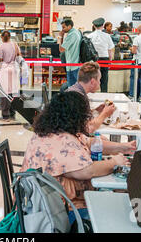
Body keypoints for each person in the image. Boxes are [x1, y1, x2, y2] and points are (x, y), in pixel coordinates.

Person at [21, 91, 130, 224]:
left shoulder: (51, 130)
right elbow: (87, 171)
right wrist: (114, 162)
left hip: (42, 203)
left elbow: (90, 142)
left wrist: (123, 147)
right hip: (59, 211)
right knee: (117, 211)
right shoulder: (62, 140)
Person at [63, 62, 137, 153]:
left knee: (103, 139)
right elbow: (89, 128)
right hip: (70, 143)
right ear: (93, 81)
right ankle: (126, 149)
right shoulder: (78, 97)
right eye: (99, 80)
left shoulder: (74, 91)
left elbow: (77, 117)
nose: (100, 83)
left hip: (68, 136)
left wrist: (95, 110)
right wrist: (105, 114)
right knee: (104, 141)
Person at [0, 30, 20, 122]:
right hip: (13, 69)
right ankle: (13, 113)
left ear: (2, 37)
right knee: (13, 91)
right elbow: (18, 56)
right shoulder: (15, 45)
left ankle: (5, 115)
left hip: (4, 70)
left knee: (4, 93)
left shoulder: (1, 46)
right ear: (10, 37)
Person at [87, 18, 114, 92]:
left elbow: (88, 50)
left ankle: (92, 94)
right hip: (105, 59)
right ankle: (104, 94)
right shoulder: (107, 36)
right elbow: (110, 50)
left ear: (94, 26)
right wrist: (110, 61)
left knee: (93, 78)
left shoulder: (90, 36)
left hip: (94, 60)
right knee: (104, 79)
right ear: (102, 26)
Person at [60, 19, 82, 87]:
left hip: (72, 65)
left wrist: (60, 37)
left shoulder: (71, 35)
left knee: (72, 87)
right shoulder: (77, 32)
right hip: (76, 64)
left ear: (69, 26)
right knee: (78, 86)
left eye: (64, 27)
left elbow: (61, 49)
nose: (62, 29)